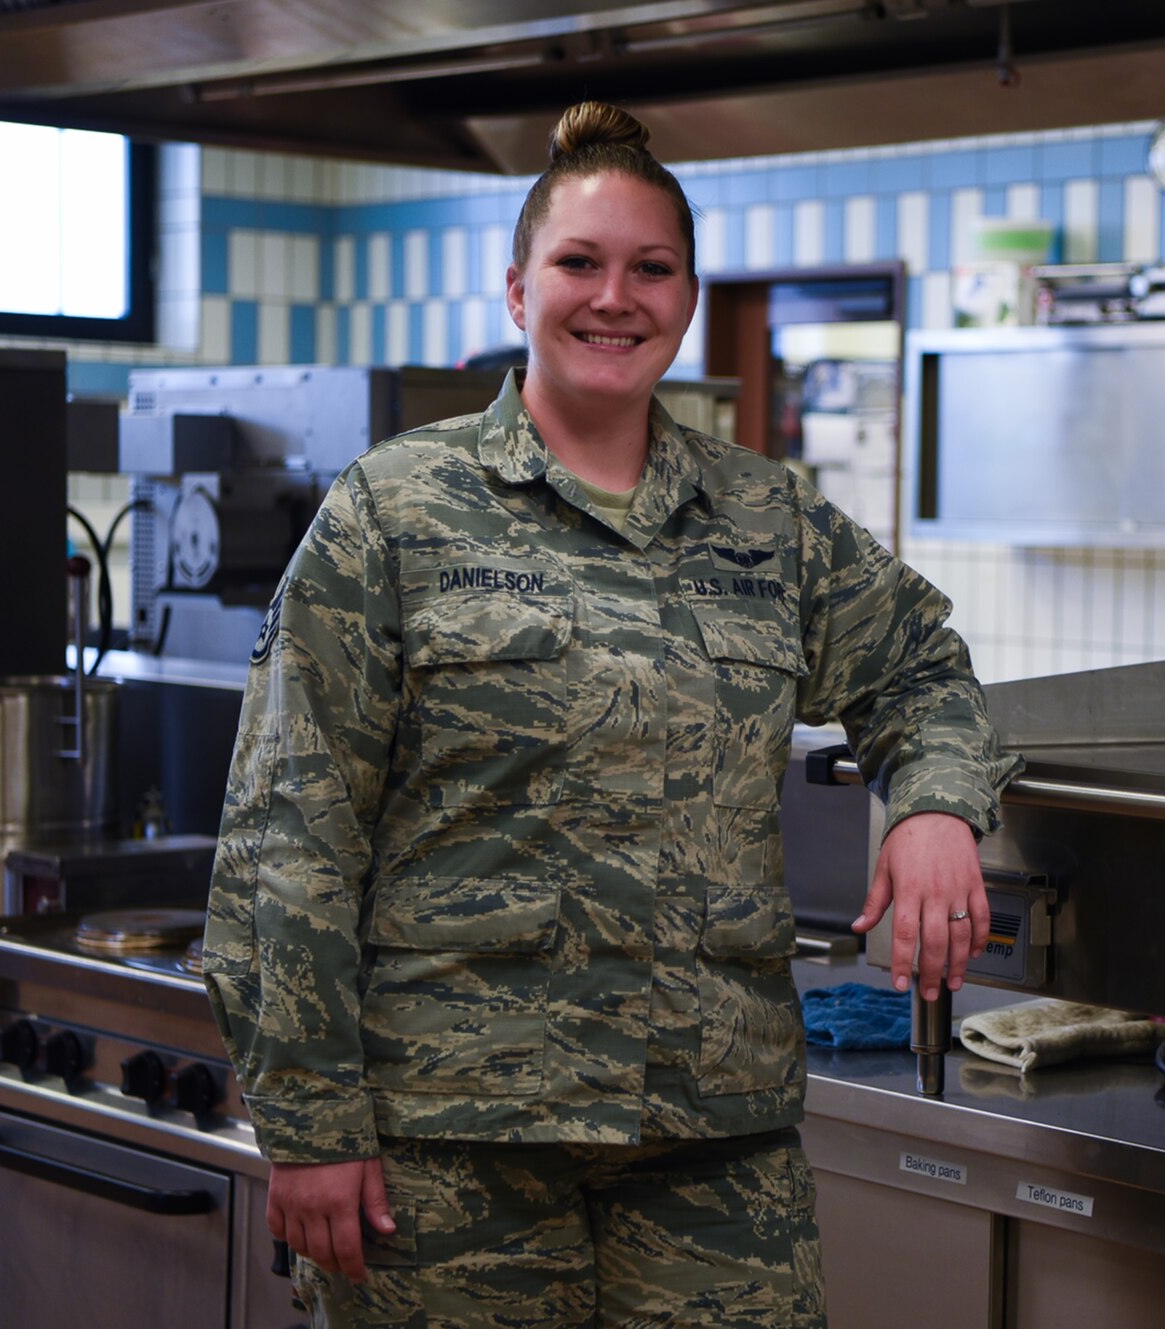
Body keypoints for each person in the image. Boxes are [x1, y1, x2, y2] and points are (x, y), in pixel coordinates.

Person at [202, 100, 1019, 1327]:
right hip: (448, 1141)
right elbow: (288, 830)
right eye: (579, 263)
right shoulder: (396, 510)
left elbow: (921, 669)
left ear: (686, 299)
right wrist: (309, 1120)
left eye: (652, 269)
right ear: (519, 292)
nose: (613, 296)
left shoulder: (767, 521)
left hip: (712, 1135)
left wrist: (936, 807)